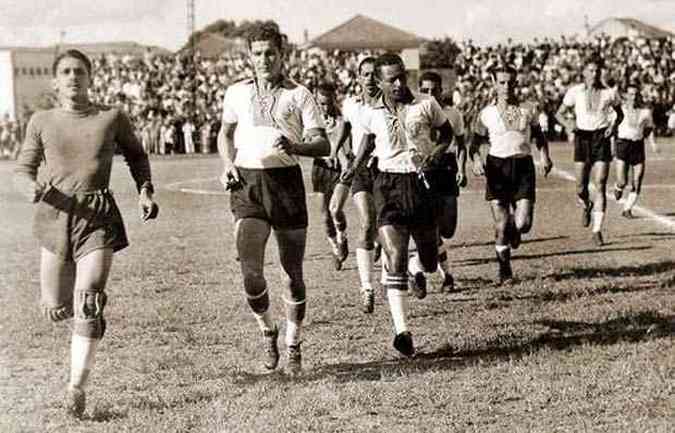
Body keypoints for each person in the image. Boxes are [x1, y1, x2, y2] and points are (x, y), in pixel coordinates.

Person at [13, 49, 158, 418]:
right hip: (56, 215)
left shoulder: (112, 117)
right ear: (55, 81)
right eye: (65, 71)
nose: (73, 76)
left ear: (91, 77)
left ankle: (76, 387)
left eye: (80, 71)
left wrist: (145, 190)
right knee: (56, 307)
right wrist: (28, 185)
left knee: (88, 297)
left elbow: (137, 156)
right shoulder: (41, 120)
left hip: (97, 214)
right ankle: (85, 322)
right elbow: (22, 169)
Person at [218, 23, 328, 376]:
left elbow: (323, 144)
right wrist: (227, 163)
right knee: (250, 272)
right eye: (257, 54)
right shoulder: (235, 92)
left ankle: (293, 342)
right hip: (247, 183)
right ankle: (268, 329)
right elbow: (224, 133)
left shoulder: (299, 94)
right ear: (249, 57)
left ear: (282, 55)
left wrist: (295, 146)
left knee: (291, 273)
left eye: (270, 53)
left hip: (285, 184)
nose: (264, 59)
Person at [351, 53, 454, 357]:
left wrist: (435, 154)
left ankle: (416, 267)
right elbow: (367, 143)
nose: (397, 83)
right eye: (390, 79)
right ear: (380, 82)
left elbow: (446, 133)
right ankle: (402, 332)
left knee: (430, 260)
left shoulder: (425, 104)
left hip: (421, 183)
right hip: (388, 184)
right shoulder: (371, 112)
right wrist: (354, 166)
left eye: (400, 76)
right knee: (394, 254)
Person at [472, 64, 553, 284]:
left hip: (523, 166)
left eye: (510, 82)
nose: (506, 87)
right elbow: (475, 142)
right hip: (497, 168)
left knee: (523, 223)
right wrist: (477, 160)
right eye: (501, 82)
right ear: (494, 84)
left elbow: (538, 135)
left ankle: (513, 234)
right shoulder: (486, 113)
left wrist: (544, 155)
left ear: (516, 83)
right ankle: (504, 268)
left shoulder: (528, 108)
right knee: (501, 223)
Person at [407, 71, 468, 293]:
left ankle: (419, 265)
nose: (431, 94)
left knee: (448, 228)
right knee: (431, 227)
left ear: (442, 91)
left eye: (435, 90)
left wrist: (462, 169)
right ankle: (442, 274)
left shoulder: (453, 114)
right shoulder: (413, 111)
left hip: (447, 168)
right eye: (425, 90)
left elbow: (461, 144)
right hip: (423, 171)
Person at [555, 57, 623, 246]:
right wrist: (569, 124)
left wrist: (613, 127)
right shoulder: (574, 92)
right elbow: (559, 113)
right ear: (584, 73)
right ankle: (586, 204)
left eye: (597, 71)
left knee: (600, 183)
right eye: (591, 70)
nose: (594, 74)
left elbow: (620, 114)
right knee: (580, 186)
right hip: (582, 138)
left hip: (601, 138)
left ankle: (597, 230)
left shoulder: (609, 93)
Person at [335, 56, 381, 314]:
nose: (370, 79)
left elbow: (372, 139)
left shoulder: (389, 106)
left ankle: (389, 268)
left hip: (386, 167)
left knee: (382, 226)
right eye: (365, 74)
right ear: (359, 77)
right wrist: (337, 151)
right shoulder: (352, 104)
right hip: (361, 169)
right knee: (366, 221)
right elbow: (346, 127)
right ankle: (367, 288)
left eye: (375, 74)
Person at [312, 82, 351, 270]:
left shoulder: (342, 120)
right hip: (320, 168)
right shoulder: (313, 119)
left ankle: (343, 238)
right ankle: (335, 248)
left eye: (326, 103)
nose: (323, 107)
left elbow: (342, 143)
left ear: (334, 101)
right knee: (324, 217)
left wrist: (337, 155)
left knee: (335, 210)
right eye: (320, 103)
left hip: (338, 169)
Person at [612, 81, 654, 218]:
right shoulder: (620, 110)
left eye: (636, 94)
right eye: (630, 94)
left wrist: (651, 142)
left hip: (637, 146)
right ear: (625, 95)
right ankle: (618, 187)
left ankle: (627, 209)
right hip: (622, 144)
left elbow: (649, 127)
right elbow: (612, 128)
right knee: (622, 181)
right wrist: (612, 144)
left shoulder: (645, 111)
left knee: (637, 179)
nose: (633, 97)